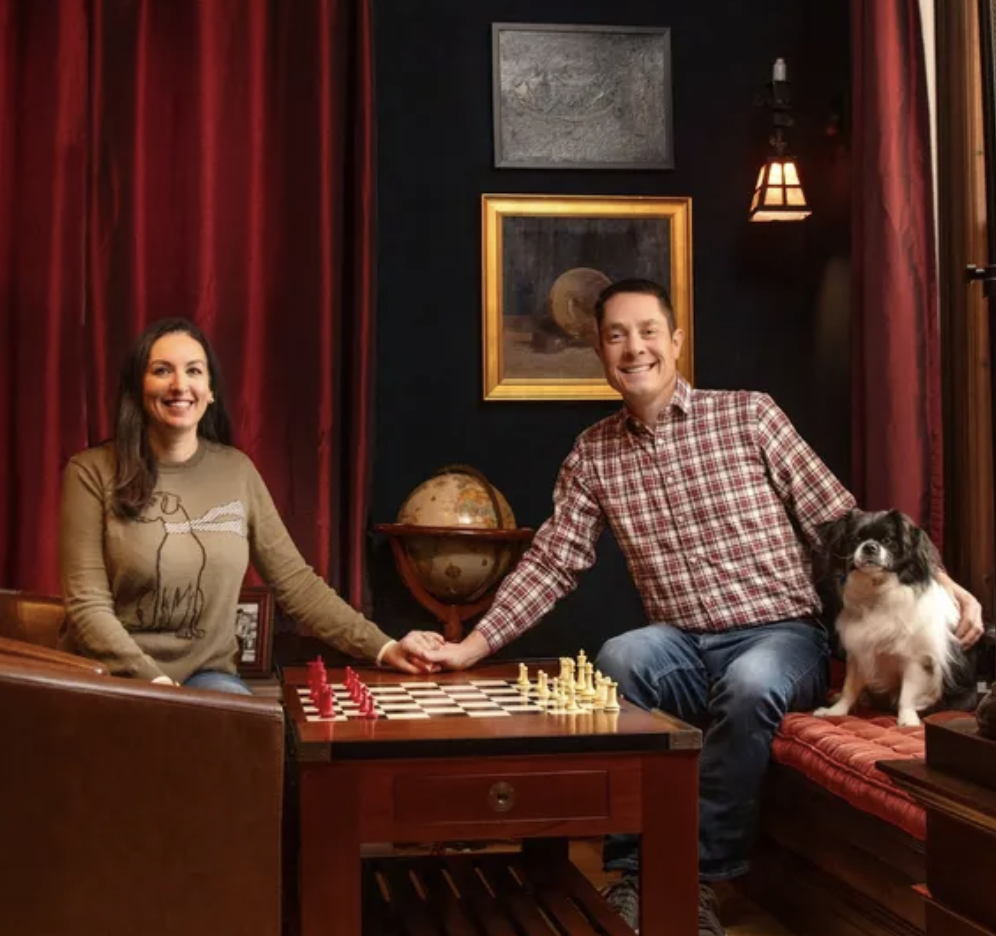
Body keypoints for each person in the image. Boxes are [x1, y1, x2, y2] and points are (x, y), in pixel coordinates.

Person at [422, 279, 984, 934]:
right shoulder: (593, 455)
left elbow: (841, 517)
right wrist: (470, 645)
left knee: (750, 683)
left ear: (676, 341)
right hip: (680, 642)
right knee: (618, 658)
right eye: (615, 336)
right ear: (600, 354)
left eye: (648, 331)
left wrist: (941, 580)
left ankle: (693, 883)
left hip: (781, 635)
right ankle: (634, 875)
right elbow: (552, 563)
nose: (634, 348)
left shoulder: (750, 416)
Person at [59, 317, 442, 694]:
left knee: (245, 737)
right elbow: (88, 606)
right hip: (114, 678)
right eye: (162, 370)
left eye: (194, 371)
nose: (180, 385)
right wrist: (157, 685)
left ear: (210, 392)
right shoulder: (91, 473)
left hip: (206, 678)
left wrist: (384, 647)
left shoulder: (237, 471)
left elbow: (297, 585)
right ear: (138, 389)